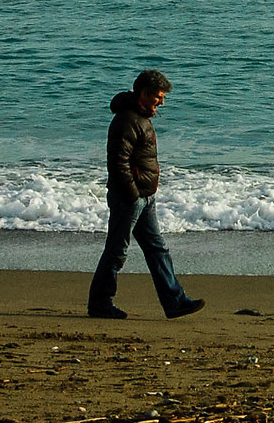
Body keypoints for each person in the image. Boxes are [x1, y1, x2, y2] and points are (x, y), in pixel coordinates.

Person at [87, 68, 205, 319]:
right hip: (129, 198)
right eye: (157, 97)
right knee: (116, 251)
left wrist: (145, 193)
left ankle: (175, 302)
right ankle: (99, 303)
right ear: (143, 93)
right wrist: (133, 194)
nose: (161, 103)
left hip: (144, 198)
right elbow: (118, 162)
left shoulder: (141, 117)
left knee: (157, 248)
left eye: (162, 98)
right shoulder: (127, 120)